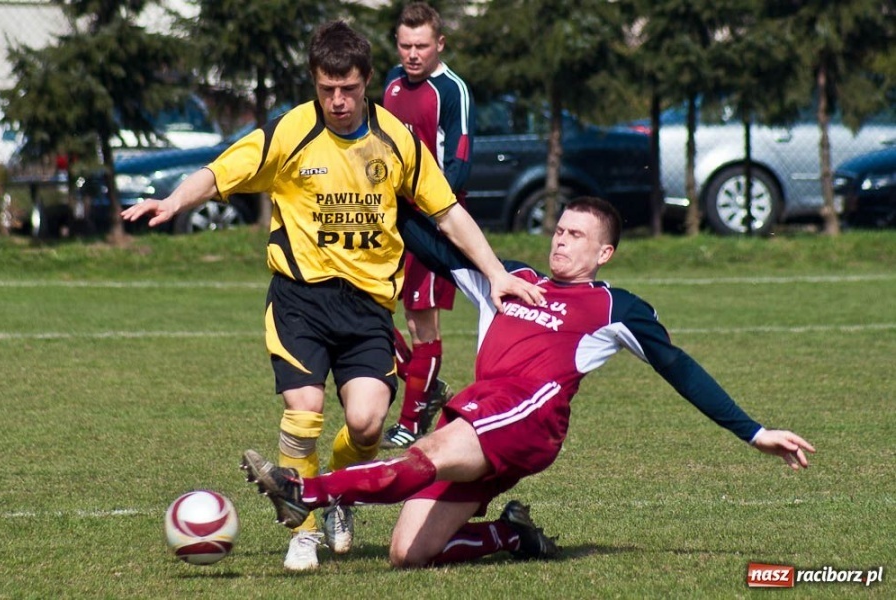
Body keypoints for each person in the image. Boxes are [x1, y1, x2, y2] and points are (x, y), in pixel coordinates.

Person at [121, 20, 543, 572]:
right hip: (299, 300)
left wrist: (494, 274)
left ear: (367, 81)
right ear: (314, 83)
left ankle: (339, 491)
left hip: (368, 307)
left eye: (347, 89)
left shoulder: (394, 139)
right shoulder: (290, 131)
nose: (337, 101)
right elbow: (219, 172)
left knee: (367, 424)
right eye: (326, 89)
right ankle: (305, 528)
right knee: (305, 412)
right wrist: (175, 201)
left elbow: (446, 211)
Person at [241, 196, 816, 568]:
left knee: (428, 451)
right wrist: (383, 195)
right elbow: (433, 246)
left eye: (577, 236)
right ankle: (513, 538)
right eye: (559, 230)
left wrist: (755, 432)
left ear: (605, 252)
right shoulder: (509, 279)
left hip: (527, 416)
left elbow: (680, 368)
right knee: (406, 554)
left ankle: (305, 493)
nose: (561, 241)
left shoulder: (614, 306)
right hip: (489, 416)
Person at [380, 2, 476, 449]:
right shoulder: (391, 85)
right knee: (369, 308)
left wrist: (435, 211)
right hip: (388, 216)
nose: (412, 54)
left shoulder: (452, 90)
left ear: (439, 44)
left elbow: (459, 157)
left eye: (421, 45)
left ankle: (411, 420)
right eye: (405, 45)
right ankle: (428, 386)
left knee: (422, 325)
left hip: (429, 223)